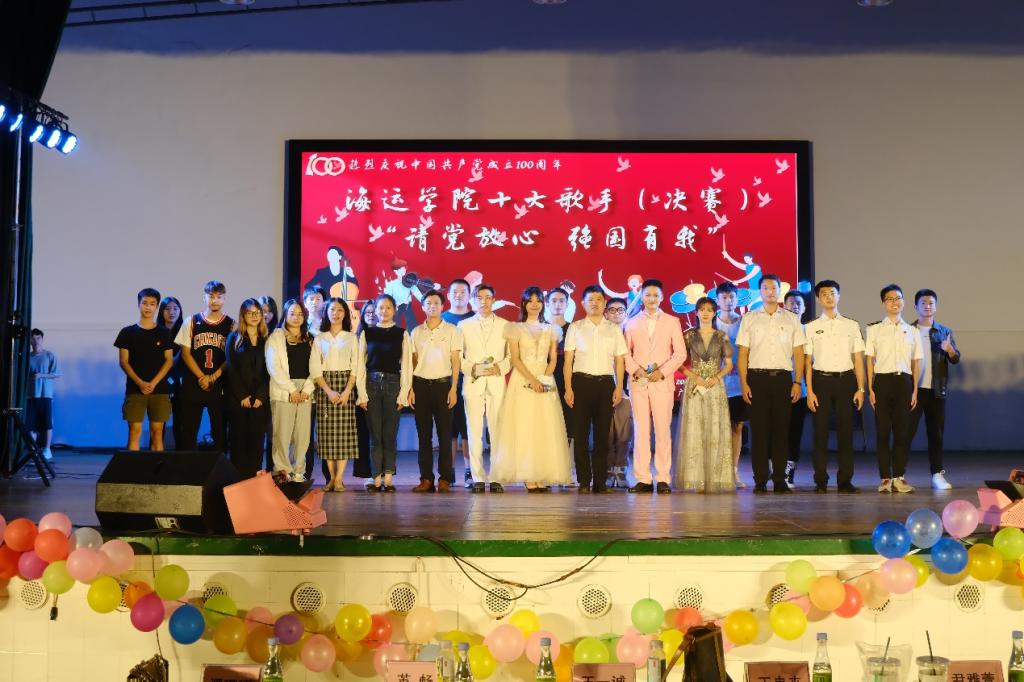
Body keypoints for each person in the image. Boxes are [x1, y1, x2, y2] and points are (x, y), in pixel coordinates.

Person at [490, 287, 572, 490]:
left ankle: (541, 473)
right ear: (524, 304)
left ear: (543, 304)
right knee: (524, 426)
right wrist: (532, 380)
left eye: (538, 300)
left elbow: (553, 359)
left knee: (544, 427)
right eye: (530, 300)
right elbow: (515, 359)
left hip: (545, 380)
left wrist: (543, 378)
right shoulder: (514, 328)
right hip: (522, 380)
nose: (534, 304)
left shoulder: (552, 329)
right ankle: (528, 474)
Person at [736, 274, 805, 494]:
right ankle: (760, 480)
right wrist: (744, 383)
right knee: (759, 432)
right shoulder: (750, 318)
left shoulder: (791, 319)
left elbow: (798, 353)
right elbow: (743, 354)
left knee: (781, 431)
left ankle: (779, 480)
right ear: (760, 292)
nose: (770, 292)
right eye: (766, 288)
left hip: (783, 379)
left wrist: (797, 382)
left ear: (779, 290)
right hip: (756, 379)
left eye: (774, 288)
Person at [623, 279, 686, 494]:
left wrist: (662, 372)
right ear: (641, 297)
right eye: (648, 295)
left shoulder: (672, 321)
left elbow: (680, 354)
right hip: (639, 383)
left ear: (662, 297)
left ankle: (663, 478)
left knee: (662, 430)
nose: (651, 299)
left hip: (662, 382)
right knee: (641, 431)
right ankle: (643, 478)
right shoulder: (631, 322)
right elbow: (625, 353)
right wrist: (636, 370)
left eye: (655, 295)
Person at [802, 280, 865, 494]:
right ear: (818, 298)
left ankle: (845, 480)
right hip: (821, 381)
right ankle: (820, 480)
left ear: (839, 296)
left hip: (846, 381)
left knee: (846, 434)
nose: (829, 297)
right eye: (824, 294)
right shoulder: (810, 327)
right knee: (820, 433)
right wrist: (810, 391)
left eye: (832, 293)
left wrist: (861, 389)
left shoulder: (851, 325)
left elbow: (858, 360)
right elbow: (807, 362)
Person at [564, 285, 627, 494]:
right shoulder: (575, 327)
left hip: (606, 384)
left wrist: (619, 387)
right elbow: (568, 361)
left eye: (599, 299)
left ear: (604, 303)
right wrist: (568, 388)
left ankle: (600, 482)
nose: (595, 303)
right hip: (580, 383)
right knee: (580, 435)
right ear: (583, 303)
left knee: (602, 436)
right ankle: (584, 481)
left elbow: (619, 361)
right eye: (590, 299)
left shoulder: (614, 329)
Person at [674, 297, 736, 493]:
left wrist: (716, 377)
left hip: (715, 387)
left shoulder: (722, 336)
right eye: (702, 309)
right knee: (695, 429)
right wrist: (695, 376)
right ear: (697, 312)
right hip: (695, 386)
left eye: (709, 309)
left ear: (715, 312)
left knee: (715, 428)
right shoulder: (689, 336)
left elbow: (729, 364)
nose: (706, 313)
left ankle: (715, 478)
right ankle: (695, 478)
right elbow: (678, 362)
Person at [866, 284, 923, 494]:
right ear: (883, 303)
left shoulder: (913, 331)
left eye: (898, 298)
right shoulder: (874, 329)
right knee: (882, 432)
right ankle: (885, 478)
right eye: (890, 299)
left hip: (904, 383)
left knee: (902, 432)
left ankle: (899, 477)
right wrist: (870, 389)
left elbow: (916, 362)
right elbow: (869, 360)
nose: (894, 302)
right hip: (882, 382)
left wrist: (915, 390)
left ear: (903, 302)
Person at [458, 284, 510, 493]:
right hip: (473, 383)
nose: (484, 301)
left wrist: (500, 368)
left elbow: (510, 356)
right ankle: (478, 477)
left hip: (496, 382)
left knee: (498, 432)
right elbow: (458, 357)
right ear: (473, 300)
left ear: (494, 300)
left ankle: (497, 477)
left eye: (488, 297)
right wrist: (473, 368)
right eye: (479, 298)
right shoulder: (463, 325)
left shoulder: (505, 325)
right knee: (474, 432)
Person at [410, 290, 463, 493]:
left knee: (445, 434)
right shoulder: (416, 332)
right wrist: (411, 388)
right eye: (428, 303)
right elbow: (413, 362)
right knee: (423, 436)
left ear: (442, 306)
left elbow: (456, 361)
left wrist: (453, 388)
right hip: (421, 386)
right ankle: (426, 478)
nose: (432, 306)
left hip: (443, 386)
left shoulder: (452, 330)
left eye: (436, 303)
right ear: (423, 306)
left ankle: (445, 479)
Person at [359, 294, 412, 492]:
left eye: (388, 307)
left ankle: (388, 477)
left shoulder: (402, 334)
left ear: (394, 310)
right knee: (375, 435)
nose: (384, 311)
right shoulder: (367, 333)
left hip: (393, 384)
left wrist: (403, 393)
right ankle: (376, 478)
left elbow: (407, 365)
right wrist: (361, 393)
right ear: (375, 310)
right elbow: (360, 365)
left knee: (389, 434)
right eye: (381, 307)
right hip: (371, 384)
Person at [311, 297, 363, 492]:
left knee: (343, 436)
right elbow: (315, 367)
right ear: (326, 312)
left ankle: (340, 478)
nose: (336, 313)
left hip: (345, 386)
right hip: (325, 386)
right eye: (332, 310)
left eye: (340, 310)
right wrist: (328, 390)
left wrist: (348, 391)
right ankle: (331, 479)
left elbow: (356, 366)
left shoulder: (351, 337)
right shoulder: (319, 338)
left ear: (345, 314)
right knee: (326, 435)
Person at [174, 280, 234, 451]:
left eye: (219, 297)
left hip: (219, 383)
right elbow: (185, 353)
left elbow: (231, 357)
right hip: (193, 382)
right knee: (189, 431)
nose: (215, 300)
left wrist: (213, 377)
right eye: (211, 296)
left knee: (219, 432)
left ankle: (219, 465)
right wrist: (202, 377)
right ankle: (188, 466)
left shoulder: (231, 324)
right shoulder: (191, 321)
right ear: (204, 297)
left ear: (224, 299)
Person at [910, 289, 960, 490]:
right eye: (923, 303)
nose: (927, 306)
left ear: (936, 306)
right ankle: (898, 475)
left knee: (936, 434)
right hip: (913, 391)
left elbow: (955, 359)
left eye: (931, 303)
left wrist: (950, 350)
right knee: (906, 433)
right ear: (916, 307)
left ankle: (937, 474)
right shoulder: (908, 330)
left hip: (937, 391)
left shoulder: (944, 331)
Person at [114, 289, 173, 451]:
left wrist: (153, 383)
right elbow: (123, 361)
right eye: (145, 303)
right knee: (134, 432)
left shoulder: (164, 332)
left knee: (157, 433)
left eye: (152, 304)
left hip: (159, 390)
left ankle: (157, 467)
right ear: (138, 304)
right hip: (135, 390)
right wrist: (140, 383)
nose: (148, 307)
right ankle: (133, 467)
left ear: (157, 307)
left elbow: (168, 361)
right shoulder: (127, 332)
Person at [266, 299, 315, 482]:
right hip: (283, 390)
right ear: (285, 315)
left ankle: (298, 472)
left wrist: (306, 389)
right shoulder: (275, 337)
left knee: (302, 436)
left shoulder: (311, 338)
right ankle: (283, 472)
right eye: (292, 313)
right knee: (282, 435)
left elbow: (317, 367)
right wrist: (292, 390)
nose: (296, 317)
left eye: (300, 314)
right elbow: (274, 367)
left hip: (305, 391)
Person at [224, 298, 270, 477]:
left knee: (256, 443)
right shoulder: (233, 338)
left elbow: (269, 370)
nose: (254, 316)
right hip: (238, 400)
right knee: (238, 443)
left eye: (257, 313)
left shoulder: (267, 339)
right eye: (250, 313)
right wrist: (242, 395)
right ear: (243, 315)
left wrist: (261, 396)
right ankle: (238, 483)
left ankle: (254, 483)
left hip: (260, 400)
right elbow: (231, 369)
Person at [442, 278, 476, 488]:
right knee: (449, 429)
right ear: (448, 295)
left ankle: (470, 471)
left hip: (470, 379)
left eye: (463, 291)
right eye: (455, 291)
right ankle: (449, 471)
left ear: (469, 296)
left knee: (468, 428)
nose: (459, 295)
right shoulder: (442, 319)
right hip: (445, 380)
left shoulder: (475, 319)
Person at [715, 282, 747, 488]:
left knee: (736, 427)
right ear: (718, 300)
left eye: (732, 297)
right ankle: (717, 472)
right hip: (716, 384)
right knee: (716, 429)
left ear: (737, 299)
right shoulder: (710, 323)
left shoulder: (745, 322)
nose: (728, 301)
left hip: (738, 385)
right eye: (724, 297)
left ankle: (733, 472)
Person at [547, 286, 578, 488]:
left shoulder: (574, 329)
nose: (557, 304)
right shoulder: (541, 328)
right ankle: (547, 471)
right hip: (545, 381)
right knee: (547, 426)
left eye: (561, 301)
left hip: (568, 382)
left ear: (567, 305)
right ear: (547, 304)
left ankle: (566, 471)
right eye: (554, 300)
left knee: (568, 426)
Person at [604, 297, 633, 488]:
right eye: (612, 310)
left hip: (627, 390)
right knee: (606, 434)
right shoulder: (599, 334)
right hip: (604, 388)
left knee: (624, 433)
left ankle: (621, 471)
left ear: (625, 314)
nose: (616, 314)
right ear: (606, 314)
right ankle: (607, 470)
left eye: (620, 310)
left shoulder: (631, 334)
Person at [782, 290, 809, 484]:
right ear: (784, 306)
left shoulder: (810, 331)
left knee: (794, 430)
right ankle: (776, 466)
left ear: (804, 308)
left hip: (801, 389)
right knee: (777, 429)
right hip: (778, 386)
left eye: (799, 303)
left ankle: (789, 468)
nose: (795, 306)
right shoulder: (778, 330)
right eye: (791, 303)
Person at [26, 329, 61, 460]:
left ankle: (47, 449)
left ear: (42, 339)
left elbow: (56, 374)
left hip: (45, 394)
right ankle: (34, 450)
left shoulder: (49, 355)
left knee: (47, 423)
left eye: (38, 338)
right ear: (30, 340)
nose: (36, 341)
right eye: (33, 338)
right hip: (30, 395)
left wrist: (41, 375)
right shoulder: (27, 357)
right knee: (31, 425)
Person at [353, 300, 377, 482]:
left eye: (374, 312)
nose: (371, 315)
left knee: (378, 432)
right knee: (362, 432)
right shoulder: (356, 337)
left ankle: (380, 470)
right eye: (367, 312)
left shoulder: (387, 334)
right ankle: (364, 471)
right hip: (360, 386)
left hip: (381, 385)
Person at [157, 297, 184, 448]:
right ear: (161, 311)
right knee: (159, 422)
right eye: (167, 309)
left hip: (180, 381)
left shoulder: (185, 331)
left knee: (180, 421)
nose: (171, 312)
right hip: (160, 381)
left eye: (175, 308)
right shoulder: (156, 332)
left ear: (180, 311)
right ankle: (155, 455)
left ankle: (180, 455)